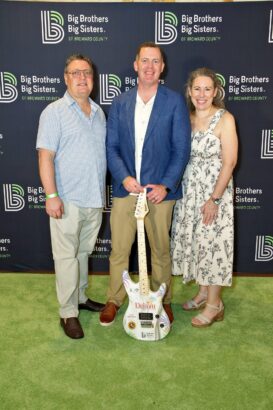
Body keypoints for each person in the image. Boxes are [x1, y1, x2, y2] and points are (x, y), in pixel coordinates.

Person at [100, 42, 191, 326]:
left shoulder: (174, 101)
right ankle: (114, 299)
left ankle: (162, 300)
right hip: (127, 189)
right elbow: (111, 147)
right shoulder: (119, 102)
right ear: (135, 64)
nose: (150, 66)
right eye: (145, 61)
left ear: (162, 67)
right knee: (119, 250)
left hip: (159, 194)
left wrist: (165, 185)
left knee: (161, 250)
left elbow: (181, 149)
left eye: (156, 61)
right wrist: (125, 177)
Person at [36, 54, 106, 339]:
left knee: (82, 253)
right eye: (75, 73)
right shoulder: (53, 112)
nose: (81, 78)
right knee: (66, 257)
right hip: (67, 199)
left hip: (94, 198)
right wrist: (51, 195)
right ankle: (67, 313)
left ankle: (79, 298)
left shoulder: (99, 112)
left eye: (86, 73)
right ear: (66, 78)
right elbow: (45, 157)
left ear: (93, 78)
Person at [171, 67, 238, 328]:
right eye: (196, 89)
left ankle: (214, 305)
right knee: (198, 244)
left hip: (213, 193)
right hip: (188, 193)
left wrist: (215, 199)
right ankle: (202, 293)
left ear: (215, 92)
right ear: (189, 91)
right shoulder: (185, 118)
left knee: (214, 246)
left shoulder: (225, 119)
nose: (201, 94)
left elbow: (230, 162)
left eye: (207, 89)